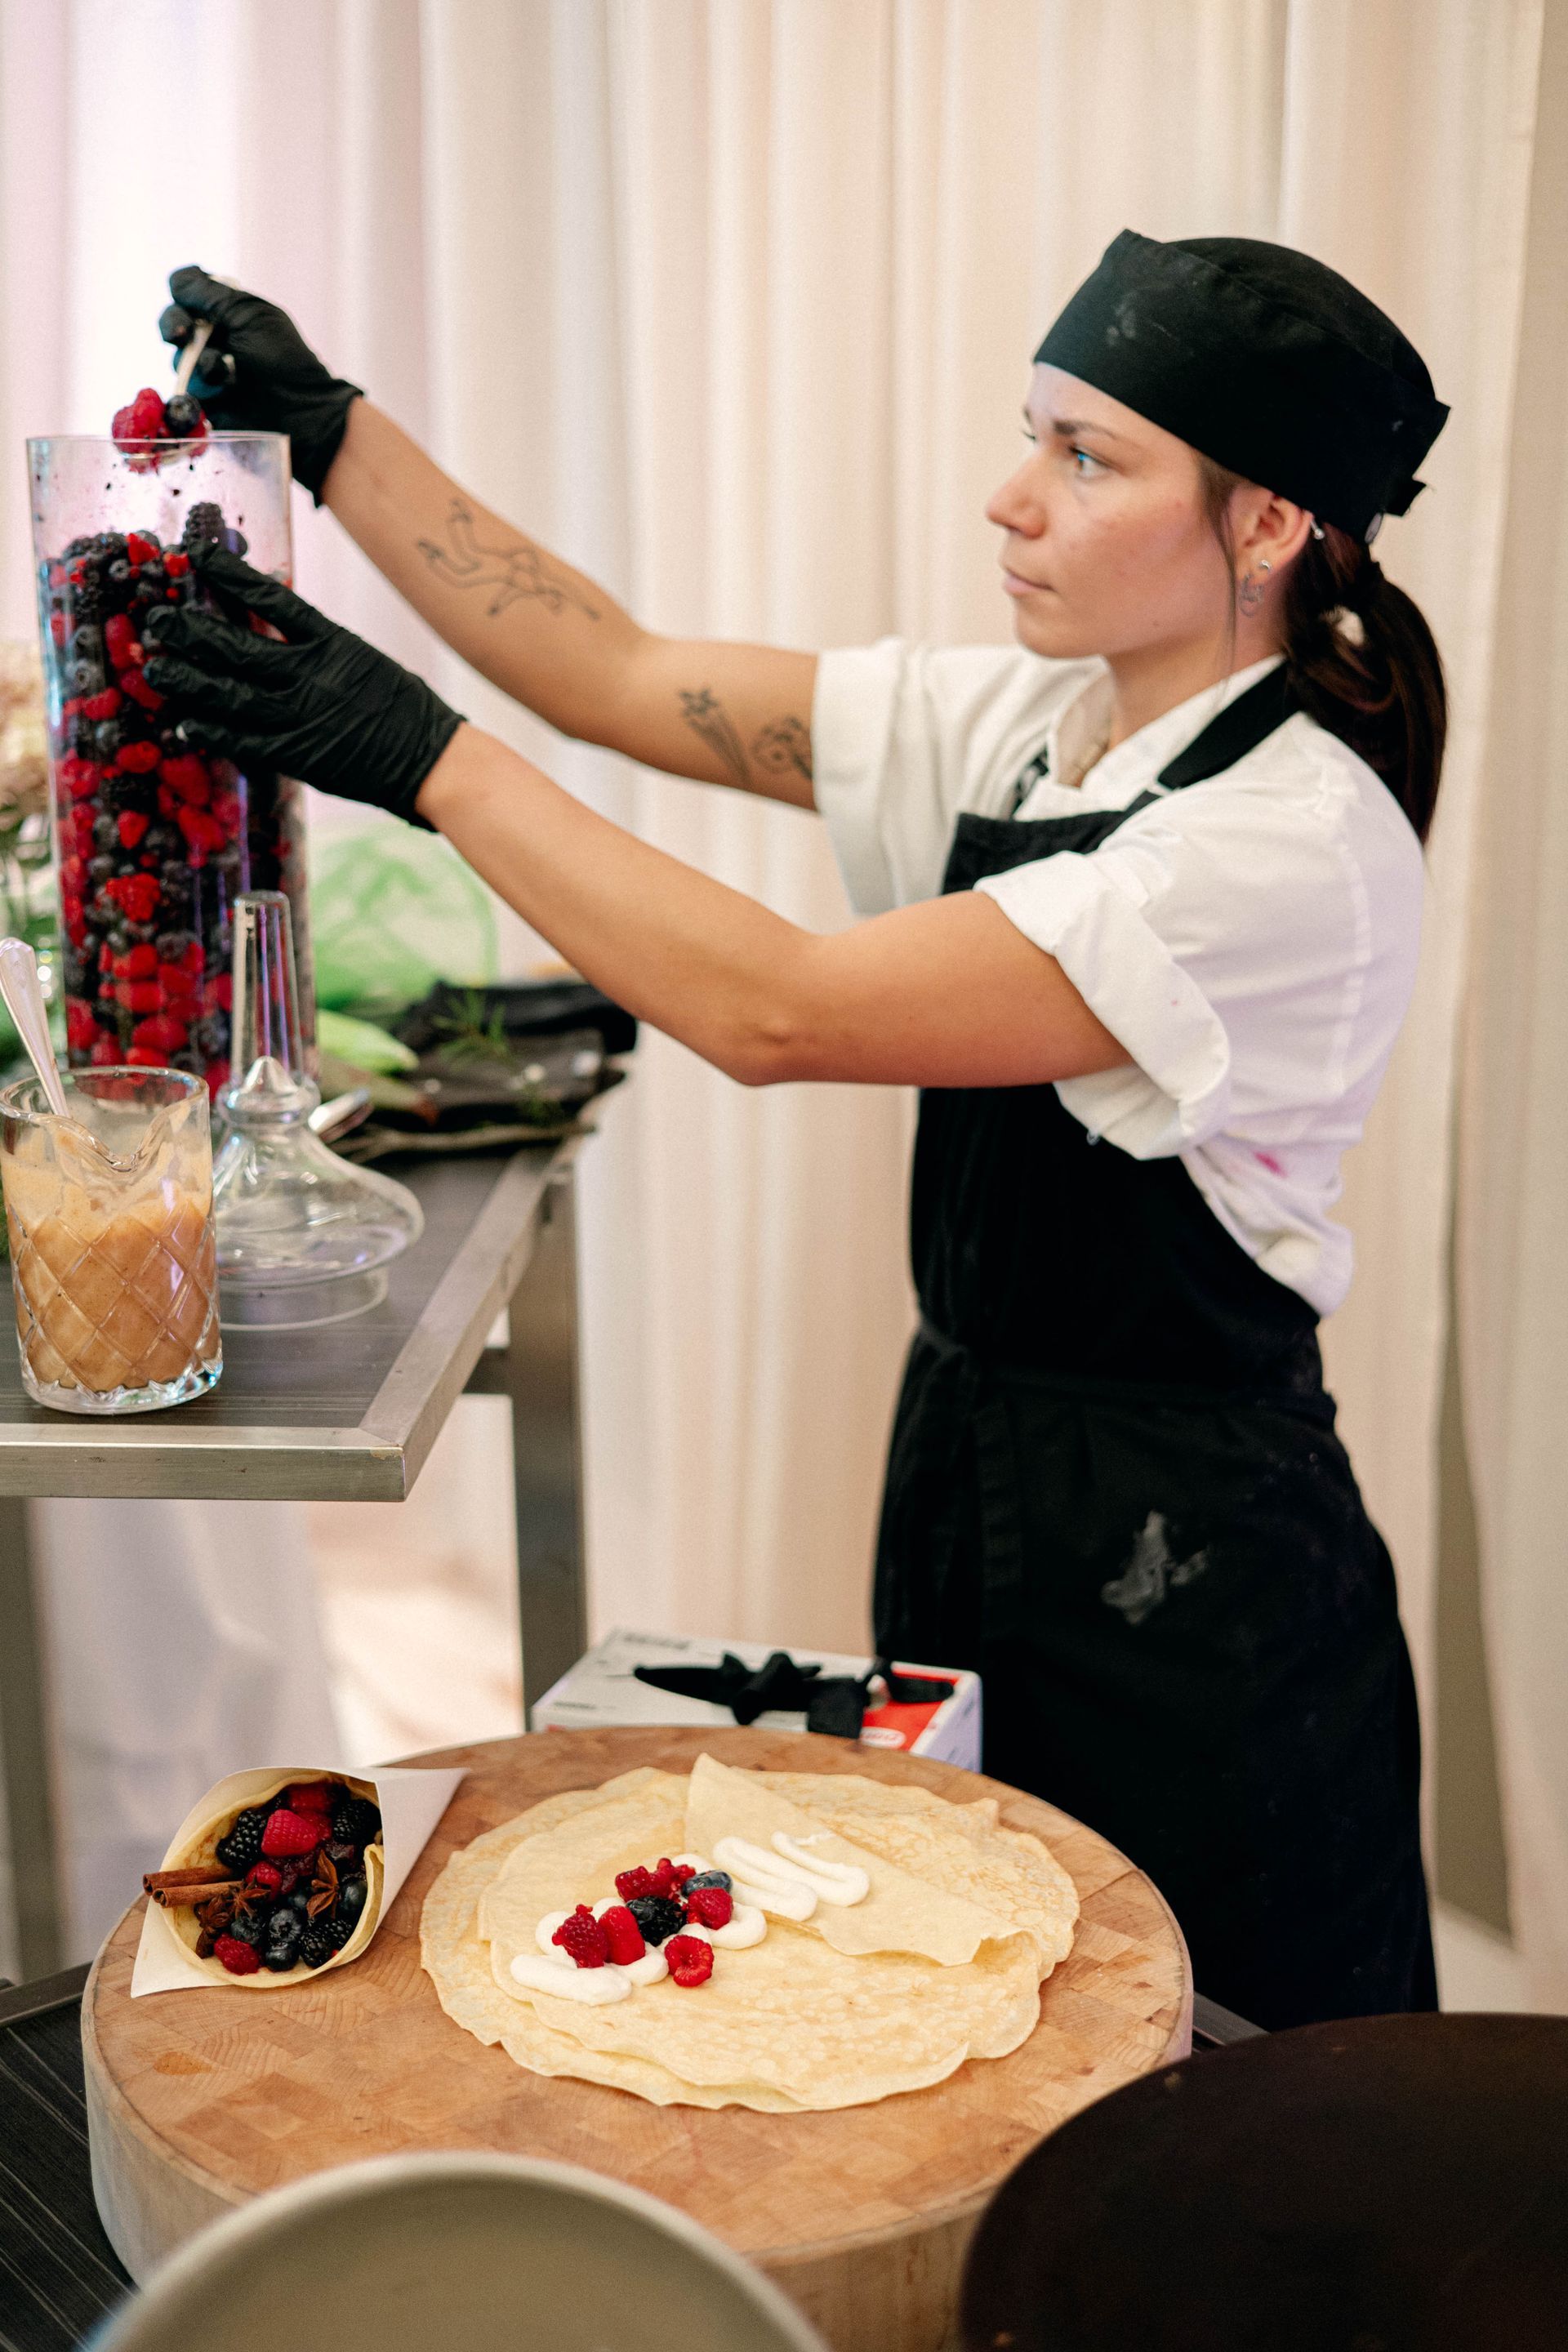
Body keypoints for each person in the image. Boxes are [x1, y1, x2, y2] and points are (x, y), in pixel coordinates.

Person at [145, 234, 1449, 2029]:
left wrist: (421, 757)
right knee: (983, 2017)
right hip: (975, 1479)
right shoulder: (1039, 725)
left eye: (1087, 458)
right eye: (1033, 438)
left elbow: (780, 1010)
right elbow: (617, 668)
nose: (1011, 500)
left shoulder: (1279, 850)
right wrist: (339, 433)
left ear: (1271, 524)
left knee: (1220, 2102)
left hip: (1188, 1578)